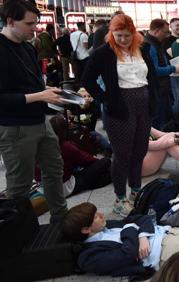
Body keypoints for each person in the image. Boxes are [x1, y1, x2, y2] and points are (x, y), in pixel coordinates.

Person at [0, 0, 68, 222]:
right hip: (15, 127)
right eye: (29, 23)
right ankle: (20, 233)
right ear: (10, 21)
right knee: (20, 184)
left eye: (35, 23)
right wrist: (40, 96)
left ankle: (61, 219)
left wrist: (49, 90)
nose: (34, 28)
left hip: (40, 121)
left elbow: (31, 85)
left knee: (54, 169)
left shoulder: (28, 47)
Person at [82, 14, 154, 217]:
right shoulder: (103, 53)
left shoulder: (143, 49)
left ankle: (136, 191)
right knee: (122, 155)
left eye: (127, 35)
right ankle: (120, 198)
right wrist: (105, 98)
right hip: (119, 107)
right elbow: (87, 79)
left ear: (134, 33)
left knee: (140, 151)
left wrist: (154, 99)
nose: (123, 39)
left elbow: (151, 76)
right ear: (111, 34)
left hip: (144, 103)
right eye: (118, 35)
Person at [36, 115, 112, 197]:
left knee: (94, 175)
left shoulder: (40, 143)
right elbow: (86, 160)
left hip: (44, 186)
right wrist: (98, 162)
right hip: (63, 186)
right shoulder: (64, 146)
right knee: (106, 162)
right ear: (64, 131)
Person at [144, 19, 179, 129]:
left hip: (161, 89)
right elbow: (155, 70)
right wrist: (173, 68)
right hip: (157, 90)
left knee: (165, 120)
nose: (167, 35)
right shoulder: (150, 46)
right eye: (165, 32)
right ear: (157, 31)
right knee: (160, 122)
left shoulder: (155, 44)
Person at [163, 18, 179, 123]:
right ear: (171, 27)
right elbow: (173, 54)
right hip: (174, 74)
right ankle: (173, 122)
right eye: (177, 25)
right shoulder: (167, 41)